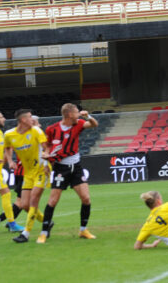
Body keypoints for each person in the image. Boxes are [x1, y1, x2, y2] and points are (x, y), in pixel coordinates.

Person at [37, 104, 98, 244]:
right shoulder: (52, 129)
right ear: (69, 114)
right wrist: (46, 159)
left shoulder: (79, 123)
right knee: (53, 201)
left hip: (76, 167)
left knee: (86, 199)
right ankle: (44, 232)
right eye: (77, 112)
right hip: (60, 168)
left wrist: (87, 116)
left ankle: (83, 230)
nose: (79, 114)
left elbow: (94, 124)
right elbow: (47, 146)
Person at [4, 109, 51, 243]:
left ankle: (25, 234)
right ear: (23, 120)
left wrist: (47, 158)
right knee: (24, 205)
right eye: (31, 117)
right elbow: (7, 148)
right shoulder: (9, 134)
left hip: (42, 169)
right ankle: (46, 221)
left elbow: (46, 147)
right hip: (28, 173)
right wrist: (10, 161)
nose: (33, 120)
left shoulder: (36, 131)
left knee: (33, 200)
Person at [0, 115, 40, 233]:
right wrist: (8, 161)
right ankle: (0, 221)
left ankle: (8, 223)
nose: (39, 125)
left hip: (24, 172)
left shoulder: (30, 135)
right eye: (37, 123)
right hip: (24, 172)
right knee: (22, 202)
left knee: (21, 202)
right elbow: (8, 148)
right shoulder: (24, 136)